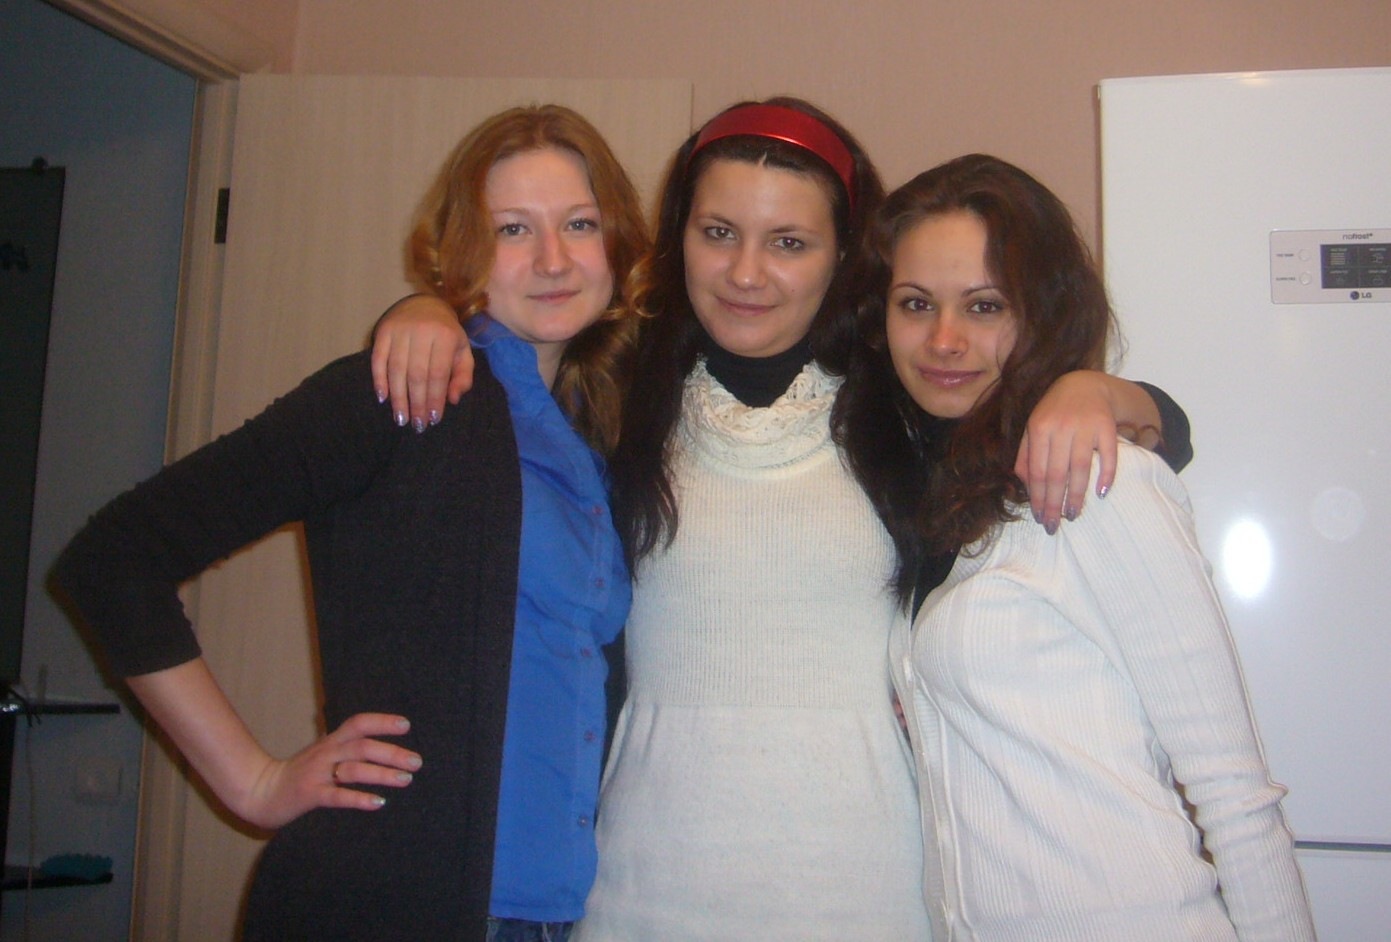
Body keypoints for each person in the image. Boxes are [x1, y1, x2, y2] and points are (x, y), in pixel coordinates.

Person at [51, 104, 648, 942]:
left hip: (557, 909)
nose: (553, 259)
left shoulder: (600, 435)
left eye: (579, 224)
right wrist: (254, 782)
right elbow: (113, 560)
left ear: (615, 242)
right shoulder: (404, 393)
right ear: (466, 250)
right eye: (512, 229)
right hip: (392, 898)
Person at [838, 153, 1315, 940]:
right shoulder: (934, 499)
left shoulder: (1101, 484)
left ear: (1042, 314)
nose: (943, 339)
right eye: (915, 304)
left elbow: (1235, 797)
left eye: (984, 306)